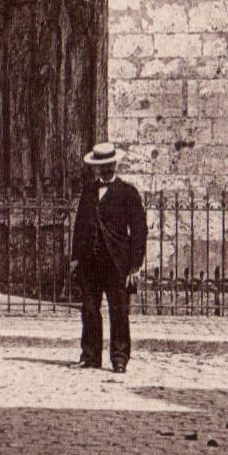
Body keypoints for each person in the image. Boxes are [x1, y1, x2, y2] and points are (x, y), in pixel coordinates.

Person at [70, 141, 147, 373]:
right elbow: (80, 225)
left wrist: (135, 266)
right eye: (101, 166)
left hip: (117, 263)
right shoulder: (89, 191)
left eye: (109, 165)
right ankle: (91, 355)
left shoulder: (127, 193)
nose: (105, 170)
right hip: (90, 262)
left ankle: (120, 357)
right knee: (90, 309)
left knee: (119, 310)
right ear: (96, 168)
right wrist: (75, 257)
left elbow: (139, 230)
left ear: (115, 164)